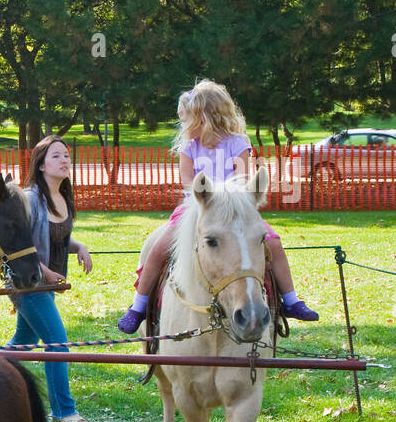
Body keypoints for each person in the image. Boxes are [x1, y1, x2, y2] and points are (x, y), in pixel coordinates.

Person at [117, 79, 318, 333]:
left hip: (236, 209)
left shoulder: (238, 143)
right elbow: (189, 181)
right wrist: (210, 198)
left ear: (204, 117)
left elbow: (244, 178)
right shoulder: (189, 147)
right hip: (199, 207)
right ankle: (138, 305)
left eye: (186, 119)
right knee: (159, 246)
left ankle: (290, 300)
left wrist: (229, 197)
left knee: (273, 243)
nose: (183, 125)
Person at [7, 135, 93, 422]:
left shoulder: (63, 197)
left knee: (23, 343)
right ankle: (64, 412)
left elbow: (57, 237)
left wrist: (79, 246)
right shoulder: (30, 198)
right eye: (56, 156)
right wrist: (45, 271)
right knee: (58, 344)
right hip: (29, 282)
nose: (64, 160)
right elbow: (21, 247)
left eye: (67, 156)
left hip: (49, 284)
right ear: (41, 165)